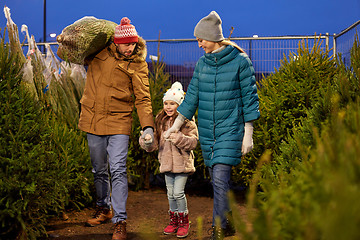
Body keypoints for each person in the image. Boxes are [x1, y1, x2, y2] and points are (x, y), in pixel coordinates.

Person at [164, 11, 260, 240]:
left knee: (219, 179)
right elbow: (191, 98)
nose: (199, 45)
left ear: (213, 37)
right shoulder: (202, 64)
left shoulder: (240, 62)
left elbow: (250, 98)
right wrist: (175, 127)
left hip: (230, 129)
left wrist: (248, 134)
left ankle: (218, 229)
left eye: (201, 40)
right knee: (218, 181)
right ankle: (229, 222)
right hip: (208, 132)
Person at [78, 17, 155, 240]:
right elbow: (71, 53)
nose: (130, 48)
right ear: (116, 42)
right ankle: (103, 208)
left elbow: (143, 98)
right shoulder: (98, 53)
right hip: (92, 118)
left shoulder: (138, 64)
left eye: (133, 44)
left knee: (118, 169)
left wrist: (147, 126)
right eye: (126, 44)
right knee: (98, 169)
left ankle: (119, 220)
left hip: (119, 121)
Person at [139, 82, 199, 238]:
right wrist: (147, 141)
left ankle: (184, 222)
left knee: (178, 193)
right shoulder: (161, 122)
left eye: (172, 103)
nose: (168, 106)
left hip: (182, 165)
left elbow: (193, 142)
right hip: (166, 164)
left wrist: (178, 138)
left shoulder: (187, 122)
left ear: (179, 104)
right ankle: (174, 221)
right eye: (166, 103)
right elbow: (155, 143)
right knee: (170, 194)